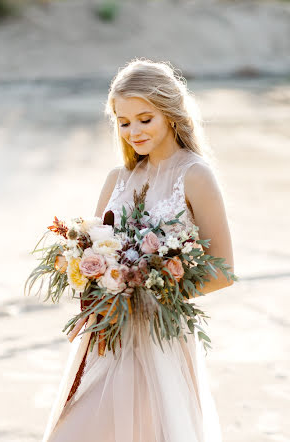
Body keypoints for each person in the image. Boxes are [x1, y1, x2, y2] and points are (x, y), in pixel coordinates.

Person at [43, 58, 234, 442]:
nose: (133, 131)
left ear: (170, 113)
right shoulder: (117, 178)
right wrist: (91, 278)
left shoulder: (195, 175)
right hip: (107, 338)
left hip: (160, 338)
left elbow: (223, 271)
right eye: (123, 122)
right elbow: (95, 254)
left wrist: (147, 294)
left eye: (145, 119)